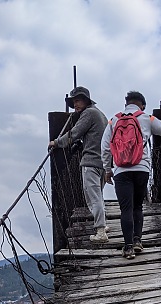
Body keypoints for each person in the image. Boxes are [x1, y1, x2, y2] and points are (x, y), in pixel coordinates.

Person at [101, 90, 161, 259]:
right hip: (142, 169)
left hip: (121, 171)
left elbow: (105, 147)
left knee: (125, 208)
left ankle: (127, 248)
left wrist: (107, 170)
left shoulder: (113, 120)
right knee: (137, 206)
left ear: (127, 104)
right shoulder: (147, 118)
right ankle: (137, 241)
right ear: (141, 105)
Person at [49, 87, 109, 244]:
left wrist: (57, 142)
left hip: (91, 161)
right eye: (73, 101)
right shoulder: (100, 114)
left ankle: (101, 231)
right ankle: (102, 224)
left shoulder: (88, 113)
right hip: (102, 161)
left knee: (92, 196)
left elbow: (74, 133)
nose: (75, 104)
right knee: (99, 195)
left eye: (77, 100)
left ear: (86, 100)